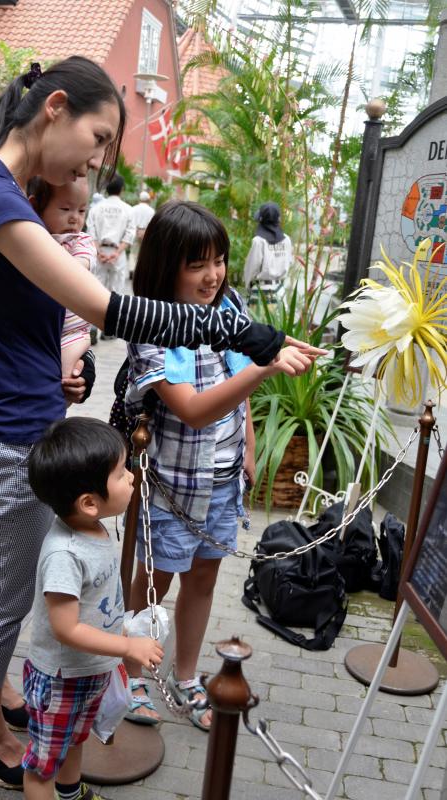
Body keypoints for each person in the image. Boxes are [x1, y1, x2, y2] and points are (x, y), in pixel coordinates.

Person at [0, 55, 324, 789]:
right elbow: (115, 309)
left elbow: (31, 317)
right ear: (55, 107)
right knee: (5, 588)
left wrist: (66, 369)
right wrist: (249, 337)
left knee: (14, 579)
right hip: (3, 433)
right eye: (98, 137)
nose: (97, 159)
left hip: (23, 416)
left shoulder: (4, 190)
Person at [123, 201, 318, 729]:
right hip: (169, 486)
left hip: (222, 479)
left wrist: (251, 448)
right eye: (197, 264)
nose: (214, 275)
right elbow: (190, 411)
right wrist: (265, 367)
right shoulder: (151, 323)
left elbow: (237, 393)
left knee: (204, 578)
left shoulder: (228, 303)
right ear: (167, 266)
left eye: (220, 260)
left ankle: (186, 676)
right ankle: (133, 674)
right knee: (153, 582)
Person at [19, 417, 163, 800]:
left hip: (89, 671)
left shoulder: (94, 529)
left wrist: (120, 639)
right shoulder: (65, 554)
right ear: (89, 502)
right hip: (60, 679)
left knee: (76, 739)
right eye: (120, 473)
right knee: (42, 765)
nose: (131, 476)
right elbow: (67, 628)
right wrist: (127, 648)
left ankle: (71, 794)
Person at [27, 175, 96, 378]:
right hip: (42, 331)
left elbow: (78, 268)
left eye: (82, 210)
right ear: (35, 206)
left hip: (73, 333)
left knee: (63, 379)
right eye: (65, 209)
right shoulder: (31, 237)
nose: (75, 218)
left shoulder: (80, 241)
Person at [86, 173, 135, 301]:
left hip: (98, 252)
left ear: (106, 188)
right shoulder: (128, 210)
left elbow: (91, 232)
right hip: (118, 253)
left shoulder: (95, 209)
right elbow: (130, 233)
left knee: (96, 291)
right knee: (117, 294)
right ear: (122, 189)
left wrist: (99, 252)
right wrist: (117, 253)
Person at [243, 201, 293, 305]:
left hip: (260, 294)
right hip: (279, 292)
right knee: (279, 321)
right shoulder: (286, 240)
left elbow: (251, 268)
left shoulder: (258, 241)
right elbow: (289, 263)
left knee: (260, 321)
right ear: (278, 220)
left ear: (261, 220)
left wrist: (248, 286)